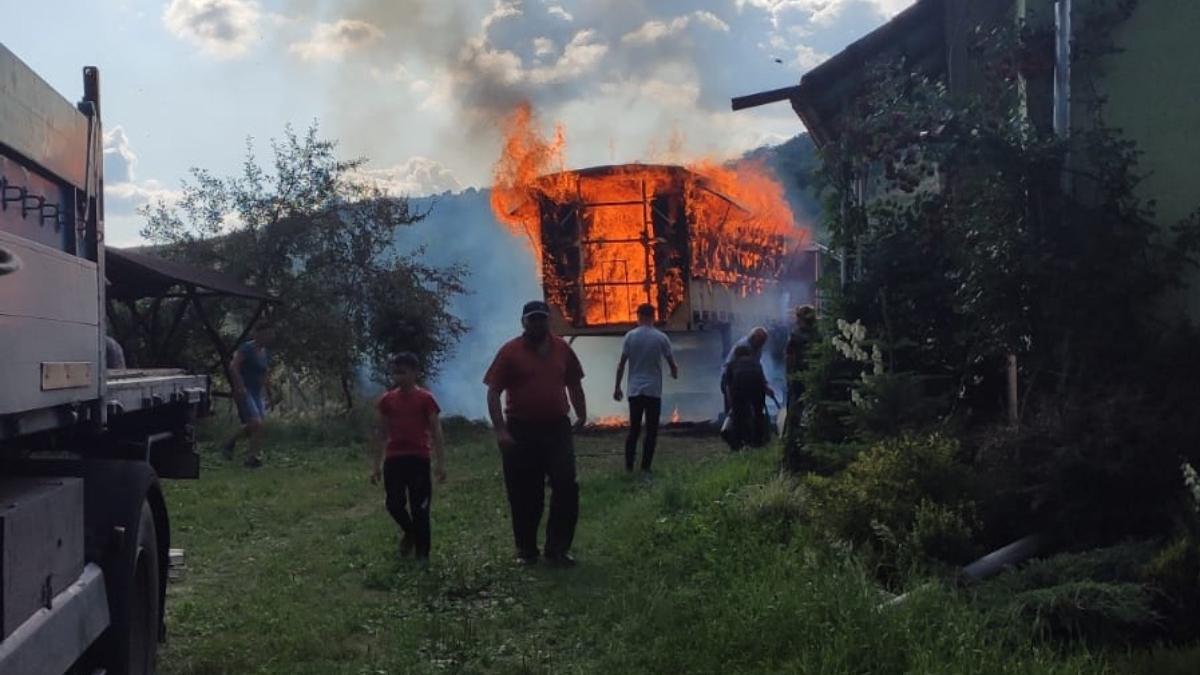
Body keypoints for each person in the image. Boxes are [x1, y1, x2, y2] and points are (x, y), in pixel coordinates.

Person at [484, 300, 587, 567]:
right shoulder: (510, 352)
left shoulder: (562, 348)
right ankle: (527, 550)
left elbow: (574, 383)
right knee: (525, 493)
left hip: (557, 429)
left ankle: (558, 549)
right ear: (523, 322)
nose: (537, 323)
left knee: (566, 487)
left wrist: (582, 414)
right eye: (532, 319)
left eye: (541, 318)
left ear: (548, 321)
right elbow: (494, 391)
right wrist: (501, 431)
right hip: (521, 430)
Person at [370, 352, 446, 561]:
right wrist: (376, 465)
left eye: (403, 372)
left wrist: (441, 464)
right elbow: (381, 432)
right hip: (395, 459)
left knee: (420, 508)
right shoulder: (387, 400)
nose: (398, 377)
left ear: (415, 373)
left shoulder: (426, 398)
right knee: (393, 504)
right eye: (395, 372)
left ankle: (423, 555)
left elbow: (436, 430)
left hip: (419, 459)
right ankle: (410, 531)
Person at [614, 303, 678, 477]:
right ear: (654, 316)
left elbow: (621, 364)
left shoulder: (630, 336)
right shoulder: (661, 337)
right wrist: (674, 373)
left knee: (634, 430)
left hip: (634, 391)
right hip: (653, 391)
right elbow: (671, 362)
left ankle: (628, 466)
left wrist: (617, 387)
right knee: (651, 431)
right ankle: (645, 468)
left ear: (638, 316)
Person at [221, 323, 274, 468]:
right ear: (258, 334)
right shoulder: (247, 348)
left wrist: (269, 393)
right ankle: (239, 448)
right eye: (266, 334)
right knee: (256, 423)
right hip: (246, 390)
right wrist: (239, 385)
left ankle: (250, 456)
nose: (269, 337)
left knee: (258, 426)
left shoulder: (264, 352)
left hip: (257, 392)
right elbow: (233, 366)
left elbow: (264, 374)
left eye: (270, 334)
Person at [724, 344, 770, 450]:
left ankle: (738, 443)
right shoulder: (756, 364)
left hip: (739, 389)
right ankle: (758, 441)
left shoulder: (732, 364)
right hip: (757, 389)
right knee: (758, 414)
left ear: (736, 354)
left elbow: (728, 385)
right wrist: (767, 391)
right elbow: (762, 380)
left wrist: (730, 400)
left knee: (738, 416)